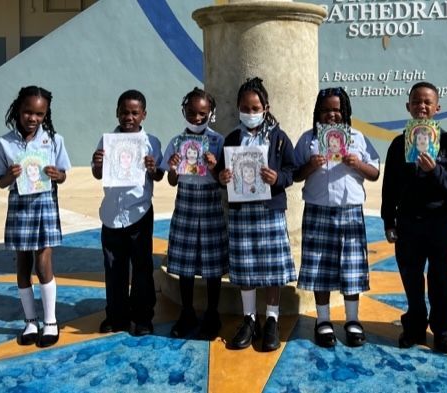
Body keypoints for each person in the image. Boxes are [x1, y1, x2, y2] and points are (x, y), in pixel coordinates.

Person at [381, 81, 447, 353]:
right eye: (417, 102)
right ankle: (415, 325)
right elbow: (389, 186)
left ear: (437, 108)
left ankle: (442, 329)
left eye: (428, 102)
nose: (422, 107)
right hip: (407, 223)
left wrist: (434, 171)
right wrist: (388, 221)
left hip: (438, 221)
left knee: (441, 276)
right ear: (408, 107)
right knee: (411, 277)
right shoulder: (397, 145)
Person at [294, 87, 380, 347]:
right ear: (318, 112)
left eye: (337, 109)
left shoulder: (358, 138)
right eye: (326, 110)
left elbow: (374, 172)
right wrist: (312, 165)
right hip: (318, 208)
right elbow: (296, 173)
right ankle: (323, 320)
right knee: (320, 266)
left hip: (350, 209)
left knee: (351, 266)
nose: (332, 114)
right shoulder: (308, 139)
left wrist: (358, 164)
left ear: (345, 112)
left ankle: (352, 320)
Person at [217, 77, 296, 352]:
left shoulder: (278, 138)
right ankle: (250, 319)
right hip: (241, 213)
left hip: (269, 210)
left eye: (255, 108)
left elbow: (292, 170)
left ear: (265, 107)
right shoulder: (232, 138)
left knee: (272, 268)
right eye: (245, 108)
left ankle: (272, 319)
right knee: (246, 267)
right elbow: (220, 173)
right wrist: (223, 176)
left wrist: (278, 178)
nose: (250, 113)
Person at [0, 86, 71, 348]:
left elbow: (63, 175)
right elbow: (0, 182)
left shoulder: (54, 140)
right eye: (27, 112)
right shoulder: (3, 143)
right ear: (18, 110)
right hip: (20, 207)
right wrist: (10, 176)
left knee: (43, 262)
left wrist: (58, 175)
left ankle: (50, 321)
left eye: (39, 113)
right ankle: (30, 321)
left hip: (45, 204)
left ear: (45, 114)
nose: (32, 118)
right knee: (23, 264)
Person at [91, 89, 164, 336]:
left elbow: (159, 176)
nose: (128, 117)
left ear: (144, 114)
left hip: (139, 212)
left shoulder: (152, 142)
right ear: (117, 113)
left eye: (134, 112)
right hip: (112, 213)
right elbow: (98, 174)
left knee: (142, 267)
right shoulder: (107, 140)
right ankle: (116, 315)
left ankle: (143, 316)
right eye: (124, 112)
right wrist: (98, 164)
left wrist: (154, 169)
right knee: (114, 267)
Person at [160, 87, 228, 340]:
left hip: (210, 204)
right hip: (186, 204)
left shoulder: (218, 141)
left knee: (211, 265)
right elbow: (171, 180)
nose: (197, 118)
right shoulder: (177, 142)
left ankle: (212, 313)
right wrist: (175, 168)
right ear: (184, 111)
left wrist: (213, 166)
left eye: (202, 113)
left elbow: (223, 181)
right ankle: (186, 312)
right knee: (185, 264)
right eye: (191, 113)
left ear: (210, 113)